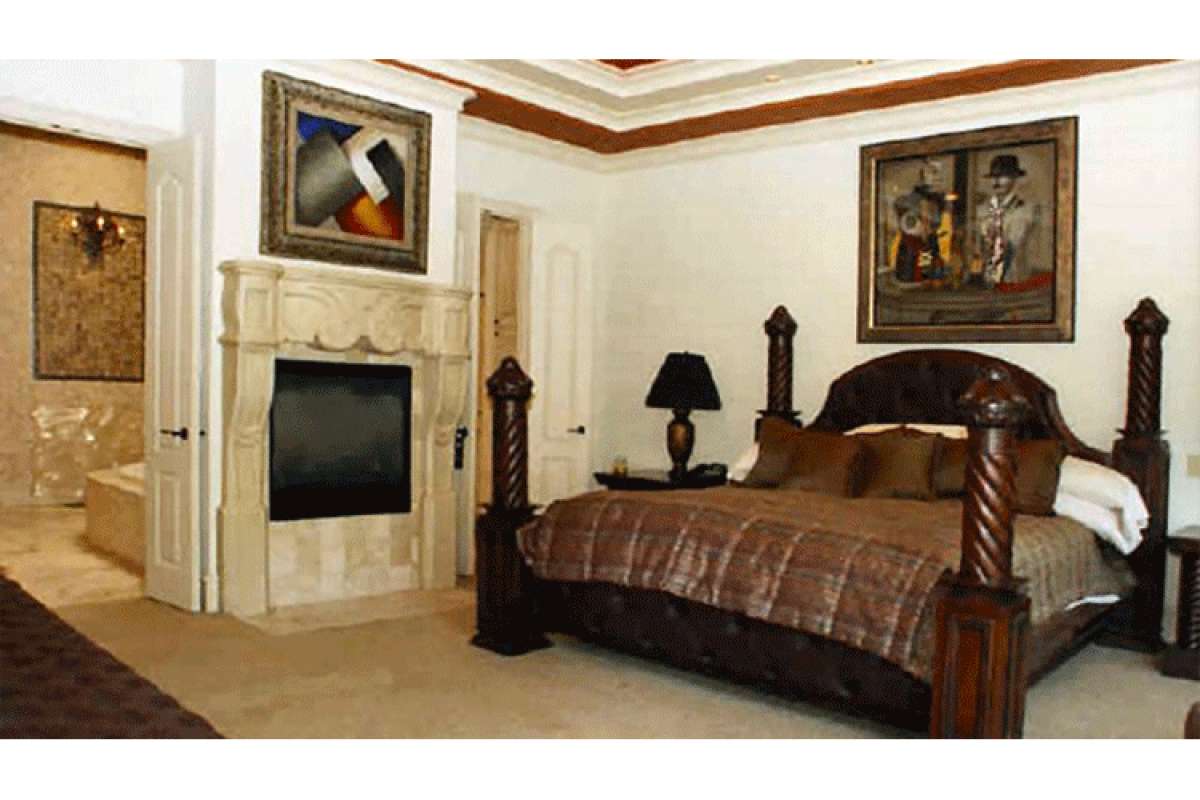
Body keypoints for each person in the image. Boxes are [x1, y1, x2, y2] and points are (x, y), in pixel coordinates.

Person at [974, 154, 1036, 287]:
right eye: (993, 177)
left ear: (1014, 178)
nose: (997, 181)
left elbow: (1011, 246)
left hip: (1014, 280)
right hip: (985, 279)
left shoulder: (1024, 209)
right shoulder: (983, 209)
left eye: (1003, 176)